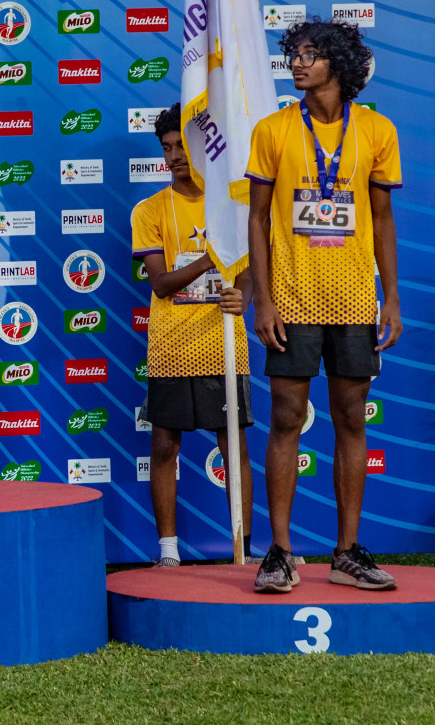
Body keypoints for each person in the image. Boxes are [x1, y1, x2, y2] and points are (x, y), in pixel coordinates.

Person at [246, 19, 402, 593]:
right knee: (286, 418)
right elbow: (257, 219)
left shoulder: (378, 131)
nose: (298, 63)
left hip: (356, 297)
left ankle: (347, 552)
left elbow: (382, 220)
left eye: (311, 55)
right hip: (290, 297)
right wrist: (263, 300)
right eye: (295, 54)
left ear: (338, 63)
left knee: (350, 419)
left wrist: (392, 298)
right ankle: (281, 552)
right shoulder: (274, 129)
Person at [131, 105, 253, 567]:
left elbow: (249, 271)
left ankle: (243, 547)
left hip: (225, 346)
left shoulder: (232, 205)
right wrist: (207, 258)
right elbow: (161, 283)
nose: (175, 155)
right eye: (167, 148)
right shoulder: (150, 210)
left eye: (183, 145)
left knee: (233, 445)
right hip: (171, 348)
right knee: (164, 446)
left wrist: (243, 295)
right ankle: (167, 552)